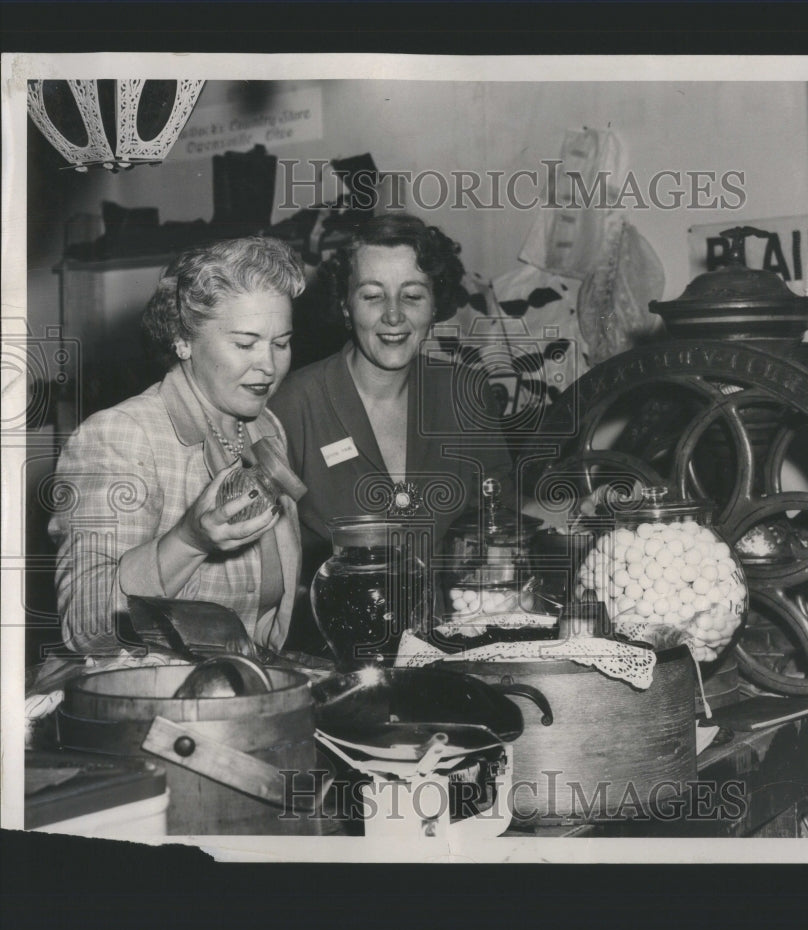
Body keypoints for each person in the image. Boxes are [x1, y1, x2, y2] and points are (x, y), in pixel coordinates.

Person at [49, 236, 307, 654]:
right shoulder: (119, 435)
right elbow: (84, 625)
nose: (269, 365)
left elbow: (260, 613)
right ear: (183, 341)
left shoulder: (264, 426)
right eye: (245, 344)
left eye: (281, 343)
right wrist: (190, 541)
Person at [269, 214, 516, 648]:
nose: (394, 316)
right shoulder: (292, 405)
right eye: (372, 296)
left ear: (435, 303)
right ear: (345, 305)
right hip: (331, 655)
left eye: (413, 295)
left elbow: (499, 520)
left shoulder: (467, 393)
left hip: (454, 646)